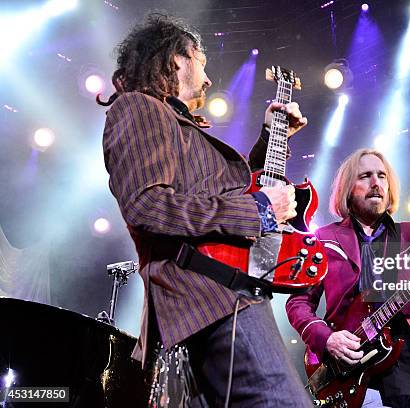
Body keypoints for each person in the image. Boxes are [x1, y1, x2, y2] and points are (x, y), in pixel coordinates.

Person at [99, 12, 312, 407]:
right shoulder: (139, 109)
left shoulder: (173, 123)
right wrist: (259, 210)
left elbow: (221, 191)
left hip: (222, 294)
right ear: (176, 59)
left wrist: (270, 137)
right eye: (202, 61)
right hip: (213, 297)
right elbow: (148, 205)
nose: (209, 78)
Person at [286, 148, 410, 408]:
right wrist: (327, 338)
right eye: (365, 176)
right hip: (354, 375)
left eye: (382, 176)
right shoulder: (323, 239)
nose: (376, 183)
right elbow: (298, 303)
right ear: (348, 187)